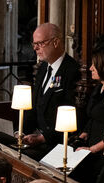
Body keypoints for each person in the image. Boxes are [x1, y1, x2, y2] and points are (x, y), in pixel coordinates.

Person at [22, 23, 83, 159]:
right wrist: (20, 132)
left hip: (56, 143)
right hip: (36, 137)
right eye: (34, 44)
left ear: (55, 42)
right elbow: (34, 106)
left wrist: (42, 138)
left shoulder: (72, 70)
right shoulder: (43, 68)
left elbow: (73, 114)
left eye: (40, 43)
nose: (36, 48)